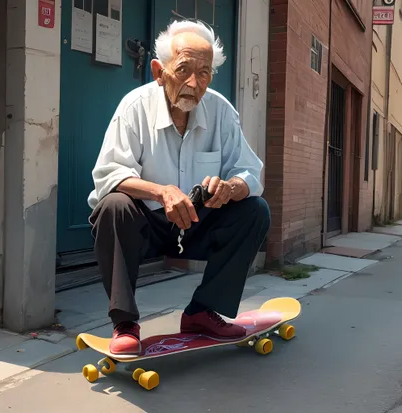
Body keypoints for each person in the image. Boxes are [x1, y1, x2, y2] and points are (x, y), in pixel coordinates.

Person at [87, 20, 270, 356]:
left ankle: (203, 311)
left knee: (255, 210)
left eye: (204, 72)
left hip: (199, 223)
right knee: (113, 205)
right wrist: (161, 191)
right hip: (148, 226)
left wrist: (230, 187)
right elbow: (109, 174)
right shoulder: (134, 107)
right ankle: (125, 323)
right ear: (159, 71)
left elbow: (251, 173)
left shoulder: (221, 112)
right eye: (184, 69)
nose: (193, 83)